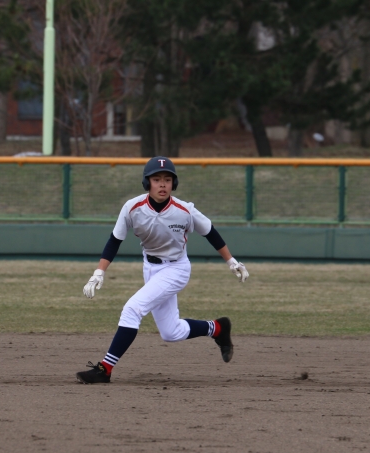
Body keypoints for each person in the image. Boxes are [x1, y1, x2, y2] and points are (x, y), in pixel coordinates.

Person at [76, 156, 250, 384]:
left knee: (132, 309)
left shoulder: (184, 210)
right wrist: (99, 272)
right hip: (150, 267)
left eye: (167, 179)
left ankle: (105, 369)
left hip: (176, 269)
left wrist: (231, 261)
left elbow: (210, 233)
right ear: (147, 183)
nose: (162, 184)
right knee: (171, 332)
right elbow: (114, 240)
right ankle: (217, 328)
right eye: (156, 179)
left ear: (173, 183)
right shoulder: (132, 208)